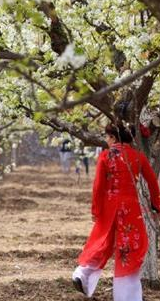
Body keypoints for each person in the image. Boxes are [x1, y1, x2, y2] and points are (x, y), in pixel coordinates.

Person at [72, 123, 160, 301]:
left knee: (102, 241)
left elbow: (98, 186)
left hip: (109, 207)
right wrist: (157, 206)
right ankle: (127, 297)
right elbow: (152, 183)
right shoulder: (139, 157)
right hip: (131, 209)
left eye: (107, 137)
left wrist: (96, 210)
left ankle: (82, 273)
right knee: (128, 252)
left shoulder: (106, 156)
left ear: (113, 137)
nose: (106, 140)